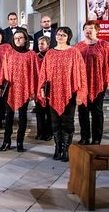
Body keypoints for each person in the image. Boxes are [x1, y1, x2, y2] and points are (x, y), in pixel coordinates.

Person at [38, 27, 87, 162]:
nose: (60, 36)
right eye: (58, 34)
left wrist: (80, 94)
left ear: (68, 37)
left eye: (63, 35)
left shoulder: (74, 52)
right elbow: (44, 73)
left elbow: (81, 74)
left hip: (70, 92)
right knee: (54, 122)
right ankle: (57, 147)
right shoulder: (50, 53)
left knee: (68, 122)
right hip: (52, 93)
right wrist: (42, 88)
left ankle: (66, 149)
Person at [75, 21, 109, 145]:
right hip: (82, 85)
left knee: (97, 111)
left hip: (98, 83)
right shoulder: (78, 47)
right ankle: (85, 137)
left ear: (97, 30)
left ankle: (96, 138)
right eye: (86, 28)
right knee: (82, 111)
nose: (88, 30)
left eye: (91, 28)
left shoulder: (104, 45)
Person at [0, 30, 38, 152]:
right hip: (10, 88)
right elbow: (3, 71)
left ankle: (20, 142)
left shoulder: (31, 55)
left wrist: (33, 90)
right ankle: (6, 141)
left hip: (24, 89)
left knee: (22, 116)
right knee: (8, 116)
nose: (18, 40)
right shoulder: (8, 53)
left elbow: (35, 74)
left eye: (20, 38)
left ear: (25, 39)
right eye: (16, 38)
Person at [34, 36, 53, 141]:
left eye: (43, 44)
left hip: (48, 87)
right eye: (39, 43)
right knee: (39, 112)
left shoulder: (51, 56)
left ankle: (49, 132)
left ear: (48, 45)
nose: (40, 46)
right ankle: (40, 132)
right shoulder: (36, 57)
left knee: (49, 112)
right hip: (37, 87)